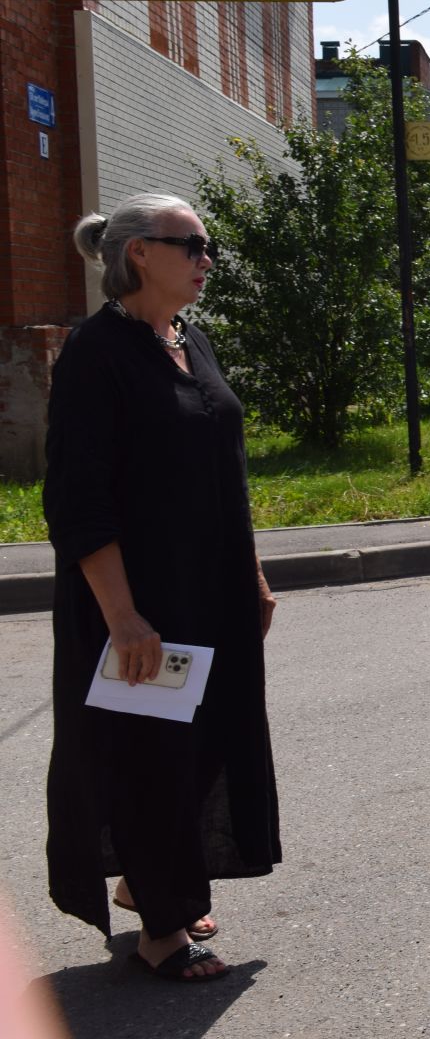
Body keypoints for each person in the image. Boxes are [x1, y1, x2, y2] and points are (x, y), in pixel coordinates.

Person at [43, 194, 280, 983]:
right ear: (139, 253)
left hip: (207, 592)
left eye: (207, 246)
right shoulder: (96, 352)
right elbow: (78, 499)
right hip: (138, 601)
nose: (207, 259)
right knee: (149, 752)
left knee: (205, 740)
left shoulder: (189, 341)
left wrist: (250, 575)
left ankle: (152, 882)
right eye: (193, 245)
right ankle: (162, 929)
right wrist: (122, 616)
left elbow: (224, 471)